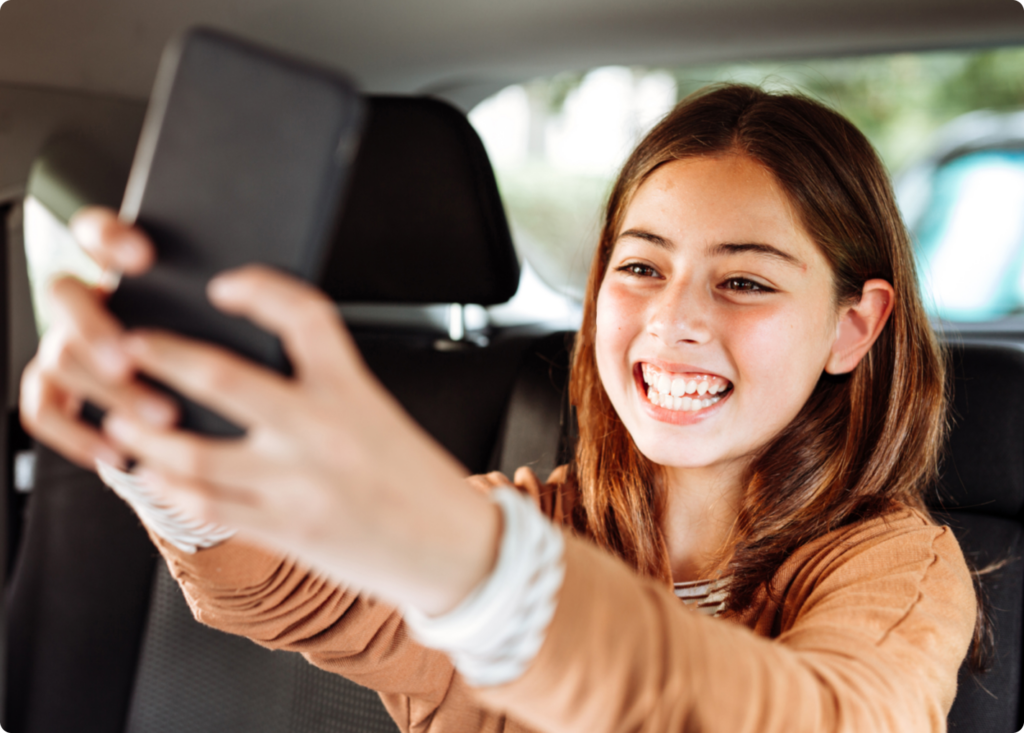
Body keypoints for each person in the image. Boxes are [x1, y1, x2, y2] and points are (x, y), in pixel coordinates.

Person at [20, 83, 976, 732]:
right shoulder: (532, 518)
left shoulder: (897, 571)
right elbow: (297, 589)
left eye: (747, 282)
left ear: (854, 327)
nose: (674, 320)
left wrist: (482, 572)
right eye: (640, 268)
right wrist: (166, 455)